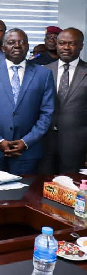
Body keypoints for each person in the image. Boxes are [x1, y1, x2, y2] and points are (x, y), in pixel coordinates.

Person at [0, 28, 55, 175]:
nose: (17, 45)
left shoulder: (44, 74)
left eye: (22, 42)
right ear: (3, 48)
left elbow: (47, 114)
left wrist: (26, 142)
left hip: (27, 152)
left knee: (22, 197)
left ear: (28, 47)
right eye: (11, 42)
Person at [38, 28, 87, 174]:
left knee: (71, 190)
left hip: (76, 146)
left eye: (71, 44)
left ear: (81, 46)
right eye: (62, 43)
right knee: (41, 188)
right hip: (44, 145)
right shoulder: (43, 71)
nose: (65, 47)